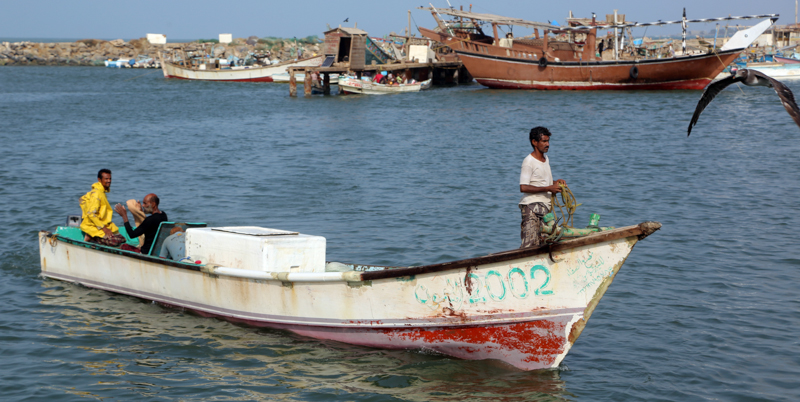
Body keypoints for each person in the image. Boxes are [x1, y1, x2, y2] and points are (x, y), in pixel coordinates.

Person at [519, 127, 566, 248]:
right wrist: (548, 188)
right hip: (532, 208)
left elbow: (544, 182)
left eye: (548, 141)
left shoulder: (546, 159)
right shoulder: (528, 161)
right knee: (529, 245)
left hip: (545, 209)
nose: (548, 144)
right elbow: (523, 187)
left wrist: (556, 183)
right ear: (534, 142)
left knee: (544, 243)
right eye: (544, 141)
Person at [80, 169, 126, 246]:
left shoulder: (102, 192)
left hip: (102, 224)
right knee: (115, 242)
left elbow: (82, 200)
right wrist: (104, 229)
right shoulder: (96, 194)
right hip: (93, 226)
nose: (109, 181)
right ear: (99, 179)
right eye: (106, 179)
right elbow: (91, 214)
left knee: (122, 239)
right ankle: (91, 237)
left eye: (110, 178)